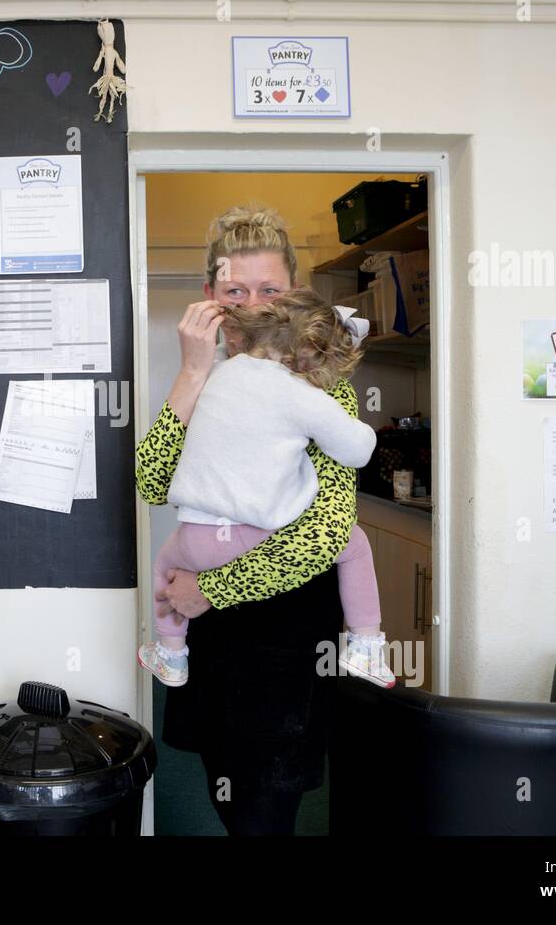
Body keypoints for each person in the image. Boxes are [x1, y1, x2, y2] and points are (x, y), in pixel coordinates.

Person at [135, 204, 369, 835]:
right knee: (230, 798)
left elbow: (324, 533)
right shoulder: (207, 385)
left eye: (271, 289)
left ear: (294, 294)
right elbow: (152, 483)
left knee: (267, 812)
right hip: (211, 640)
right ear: (209, 297)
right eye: (235, 289)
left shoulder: (323, 390)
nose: (254, 304)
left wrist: (207, 590)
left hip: (287, 635)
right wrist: (191, 370)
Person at [138, 290, 396, 690]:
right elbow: (359, 450)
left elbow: (154, 487)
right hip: (253, 538)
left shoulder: (216, 375)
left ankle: (170, 652)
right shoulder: (307, 395)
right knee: (355, 543)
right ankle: (365, 646)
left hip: (193, 540)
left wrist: (194, 370)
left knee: (162, 566)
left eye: (268, 291)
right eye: (237, 291)